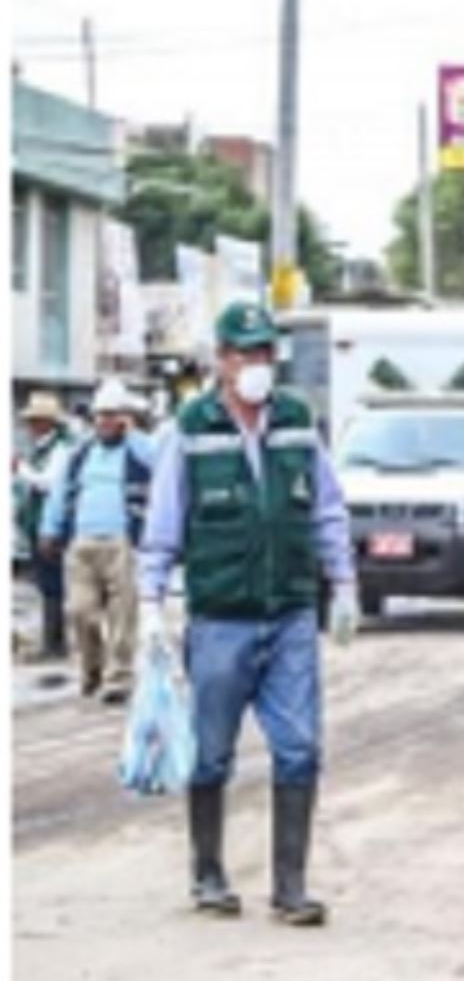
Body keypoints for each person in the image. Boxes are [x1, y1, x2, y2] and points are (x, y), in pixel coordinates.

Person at [137, 302, 358, 926]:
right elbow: (161, 529)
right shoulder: (191, 429)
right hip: (219, 619)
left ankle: (290, 887)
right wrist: (152, 607)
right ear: (223, 361)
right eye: (248, 353)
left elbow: (327, 509)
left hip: (289, 612)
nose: (260, 364)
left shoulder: (295, 422)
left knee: (300, 749)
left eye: (267, 352)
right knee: (210, 754)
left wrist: (343, 583)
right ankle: (208, 875)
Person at [38, 379, 157, 702]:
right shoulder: (80, 453)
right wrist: (50, 529)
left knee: (123, 616)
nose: (106, 421)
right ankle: (92, 669)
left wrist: (131, 432)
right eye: (101, 415)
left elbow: (161, 464)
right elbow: (60, 492)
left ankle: (119, 678)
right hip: (82, 542)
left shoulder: (140, 448)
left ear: (124, 417)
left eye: (113, 414)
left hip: (123, 542)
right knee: (80, 611)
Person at [16, 393, 74, 661]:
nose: (29, 427)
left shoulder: (60, 449)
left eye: (34, 421)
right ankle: (52, 641)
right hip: (36, 523)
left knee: (52, 585)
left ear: (45, 423)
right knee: (46, 585)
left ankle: (55, 644)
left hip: (48, 526)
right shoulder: (41, 448)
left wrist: (21, 469)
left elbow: (50, 483)